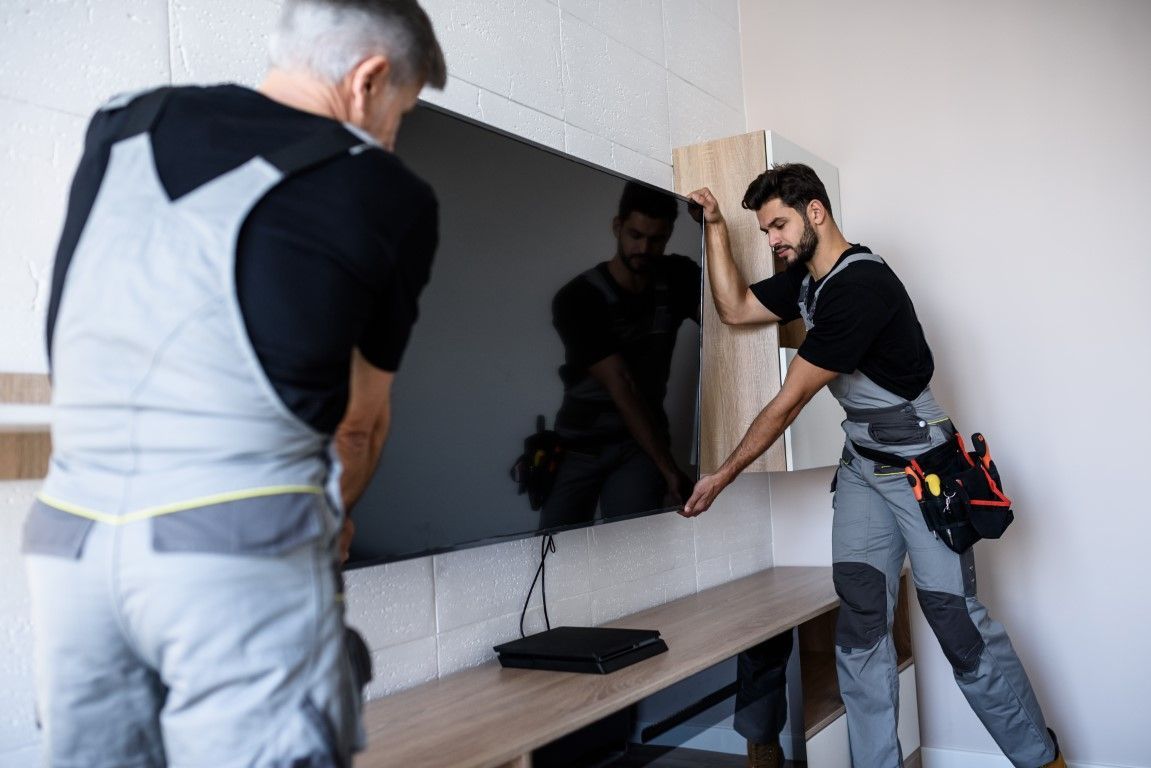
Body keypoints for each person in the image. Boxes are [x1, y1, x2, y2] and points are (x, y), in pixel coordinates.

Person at [22, 1, 445, 765]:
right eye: (401, 112)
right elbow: (357, 425)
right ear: (368, 78)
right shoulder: (388, 192)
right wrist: (329, 523)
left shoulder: (122, 120)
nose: (392, 134)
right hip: (232, 550)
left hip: (68, 540)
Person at [682, 165, 1066, 768]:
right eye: (764, 230)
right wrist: (713, 228)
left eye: (779, 224)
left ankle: (1042, 759)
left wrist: (721, 475)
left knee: (957, 625)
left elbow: (786, 406)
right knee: (860, 625)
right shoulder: (806, 281)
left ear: (816, 212)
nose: (773, 239)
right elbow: (733, 308)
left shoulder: (860, 287)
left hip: (920, 468)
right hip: (863, 465)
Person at [539, 182, 699, 530]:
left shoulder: (677, 278)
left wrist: (709, 227)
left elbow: (728, 315)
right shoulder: (578, 298)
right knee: (553, 546)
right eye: (635, 235)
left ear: (669, 234)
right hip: (579, 446)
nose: (643, 248)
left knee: (637, 542)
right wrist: (670, 469)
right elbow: (622, 385)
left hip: (640, 448)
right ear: (617, 227)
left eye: (656, 239)